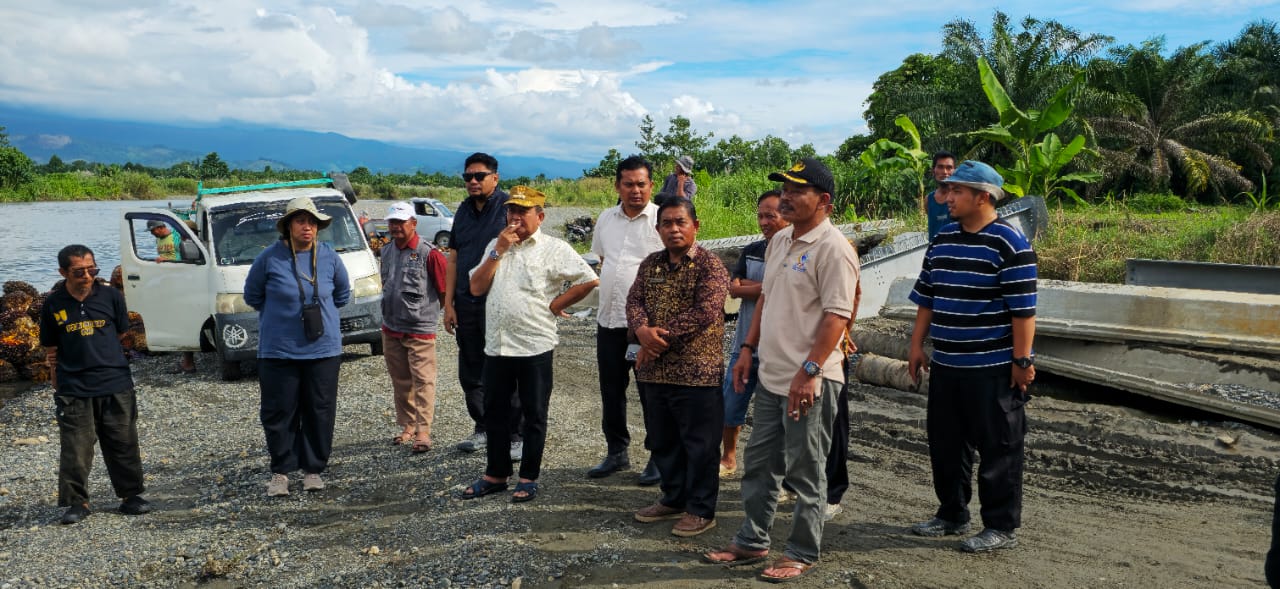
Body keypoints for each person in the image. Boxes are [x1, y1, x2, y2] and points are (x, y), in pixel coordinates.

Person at [703, 157, 860, 583]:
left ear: (823, 201)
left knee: (806, 470)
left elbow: (837, 316)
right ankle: (752, 540)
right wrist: (747, 350)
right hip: (771, 376)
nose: (786, 197)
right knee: (759, 464)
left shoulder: (833, 249)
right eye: (784, 189)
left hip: (810, 381)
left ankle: (801, 550)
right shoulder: (779, 241)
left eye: (797, 191)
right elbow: (766, 300)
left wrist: (809, 371)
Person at [906, 160, 1038, 553]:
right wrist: (916, 344)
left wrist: (1022, 362)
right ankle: (952, 514)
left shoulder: (1010, 244)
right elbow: (927, 297)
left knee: (1000, 447)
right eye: (948, 190)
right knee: (946, 444)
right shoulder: (943, 239)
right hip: (947, 364)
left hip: (992, 369)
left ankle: (1000, 526)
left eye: (957, 191)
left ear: (983, 197)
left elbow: (1023, 312)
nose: (947, 197)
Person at [461, 186, 599, 503]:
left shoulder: (554, 248)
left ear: (540, 216)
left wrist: (558, 303)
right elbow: (476, 287)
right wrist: (498, 250)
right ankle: (496, 474)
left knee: (534, 414)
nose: (515, 217)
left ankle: (528, 477)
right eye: (511, 210)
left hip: (535, 345)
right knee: (495, 413)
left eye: (523, 211)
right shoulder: (496, 245)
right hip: (498, 345)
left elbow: (589, 279)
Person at [627, 198, 729, 537]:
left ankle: (701, 510)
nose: (674, 229)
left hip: (696, 374)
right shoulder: (651, 264)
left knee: (700, 446)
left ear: (695, 226)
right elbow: (634, 301)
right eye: (667, 223)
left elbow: (705, 311)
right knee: (662, 440)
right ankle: (673, 498)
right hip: (654, 372)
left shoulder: (710, 265)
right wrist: (641, 330)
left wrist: (654, 339)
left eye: (680, 222)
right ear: (658, 229)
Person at [244, 196, 351, 497]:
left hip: (323, 350)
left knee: (319, 409)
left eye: (312, 222)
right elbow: (252, 296)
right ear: (288, 226)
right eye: (301, 221)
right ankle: (281, 472)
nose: (307, 227)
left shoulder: (330, 257)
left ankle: (313, 469)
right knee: (279, 411)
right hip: (279, 350)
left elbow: (342, 295)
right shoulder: (269, 258)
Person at [39, 244, 152, 525]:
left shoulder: (111, 296)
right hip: (74, 386)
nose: (87, 276)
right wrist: (55, 378)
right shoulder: (53, 304)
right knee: (75, 448)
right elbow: (50, 345)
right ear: (63, 272)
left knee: (123, 442)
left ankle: (131, 496)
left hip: (115, 381)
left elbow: (121, 332)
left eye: (92, 269)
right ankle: (77, 502)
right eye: (79, 272)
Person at [588, 155, 666, 484]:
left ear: (651, 185)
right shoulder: (606, 218)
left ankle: (659, 455)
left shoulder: (663, 219)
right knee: (611, 391)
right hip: (609, 321)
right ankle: (616, 451)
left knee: (651, 393)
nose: (636, 190)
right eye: (629, 184)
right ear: (617, 186)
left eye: (641, 184)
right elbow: (602, 258)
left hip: (645, 327)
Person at [443, 153, 523, 461]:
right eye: (468, 177)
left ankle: (515, 435)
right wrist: (448, 303)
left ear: (495, 178)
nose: (473, 181)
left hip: (498, 301)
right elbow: (453, 258)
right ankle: (484, 426)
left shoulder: (507, 209)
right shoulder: (463, 210)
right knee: (471, 370)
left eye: (479, 176)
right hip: (466, 302)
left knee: (505, 370)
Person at [719, 190, 786, 478]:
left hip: (778, 350)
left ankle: (773, 473)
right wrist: (762, 286)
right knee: (730, 404)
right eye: (760, 215)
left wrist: (753, 286)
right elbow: (733, 287)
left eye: (771, 215)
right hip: (745, 344)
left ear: (787, 215)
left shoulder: (793, 252)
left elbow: (781, 289)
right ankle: (728, 458)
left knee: (774, 416)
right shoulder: (752, 250)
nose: (764, 222)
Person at [380, 202, 448, 453]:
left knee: (423, 380)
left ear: (413, 223)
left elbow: (444, 290)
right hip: (391, 327)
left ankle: (423, 431)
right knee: (400, 380)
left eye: (401, 222)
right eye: (392, 222)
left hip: (420, 329)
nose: (395, 227)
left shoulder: (429, 253)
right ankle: (408, 425)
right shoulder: (386, 251)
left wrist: (433, 315)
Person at [148, 220, 198, 373]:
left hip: (182, 280)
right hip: (169, 280)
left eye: (153, 230)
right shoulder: (159, 240)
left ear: (160, 227)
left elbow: (186, 259)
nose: (152, 233)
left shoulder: (177, 237)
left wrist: (168, 260)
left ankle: (188, 361)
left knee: (183, 320)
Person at [925, 151, 957, 240]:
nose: (944, 172)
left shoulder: (961, 197)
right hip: (935, 248)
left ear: (955, 171)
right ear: (933, 170)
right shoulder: (928, 200)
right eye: (940, 167)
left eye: (949, 168)